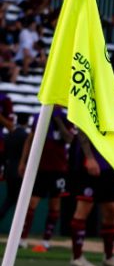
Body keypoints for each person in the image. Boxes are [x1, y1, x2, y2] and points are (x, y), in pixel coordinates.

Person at [66, 90, 114, 266]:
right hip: (90, 163)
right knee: (84, 208)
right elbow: (82, 131)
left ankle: (109, 256)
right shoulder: (93, 101)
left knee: (110, 209)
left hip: (109, 163)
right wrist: (89, 158)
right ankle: (77, 256)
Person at [18, 108, 72, 251]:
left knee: (55, 205)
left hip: (58, 169)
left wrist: (58, 121)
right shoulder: (39, 116)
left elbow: (69, 138)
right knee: (31, 203)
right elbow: (30, 140)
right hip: (39, 167)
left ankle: (46, 239)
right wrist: (23, 162)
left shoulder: (66, 117)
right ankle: (22, 238)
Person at [0, 111, 28, 224]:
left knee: (10, 199)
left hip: (9, 170)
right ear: (26, 122)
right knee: (19, 200)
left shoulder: (9, 135)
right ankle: (19, 228)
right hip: (20, 171)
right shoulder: (26, 137)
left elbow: (3, 154)